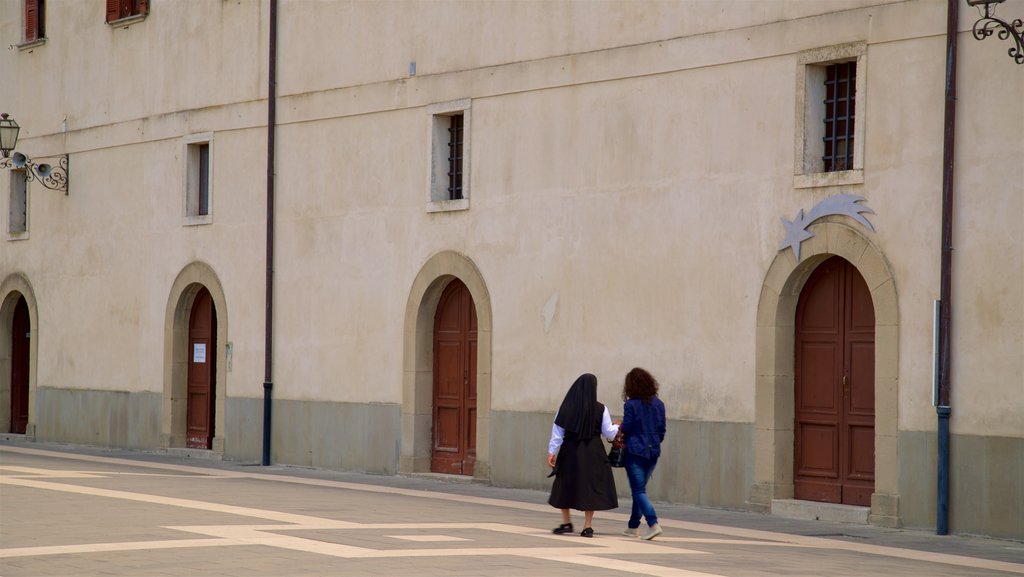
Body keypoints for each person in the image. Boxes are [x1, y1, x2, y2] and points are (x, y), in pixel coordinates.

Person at [547, 373, 620, 537]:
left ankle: (566, 523)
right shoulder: (601, 408)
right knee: (590, 487)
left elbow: (557, 432)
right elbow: (608, 433)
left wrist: (552, 452)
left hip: (570, 451)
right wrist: (617, 426)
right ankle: (587, 526)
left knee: (564, 485)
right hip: (593, 452)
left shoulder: (565, 407)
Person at [619, 367, 667, 540]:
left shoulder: (631, 405)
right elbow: (662, 430)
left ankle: (653, 523)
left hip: (635, 450)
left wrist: (620, 425)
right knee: (640, 490)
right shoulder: (659, 404)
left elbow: (628, 427)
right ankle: (633, 526)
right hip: (653, 451)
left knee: (638, 490)